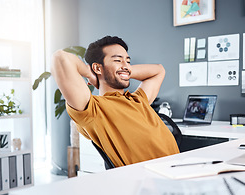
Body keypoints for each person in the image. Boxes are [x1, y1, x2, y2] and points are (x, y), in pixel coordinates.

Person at [51, 36, 179, 167]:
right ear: (97, 68)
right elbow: (60, 58)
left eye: (128, 61)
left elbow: (159, 70)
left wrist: (123, 70)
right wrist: (90, 74)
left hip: (179, 169)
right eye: (118, 60)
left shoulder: (138, 99)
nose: (126, 65)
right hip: (151, 179)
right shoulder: (93, 109)